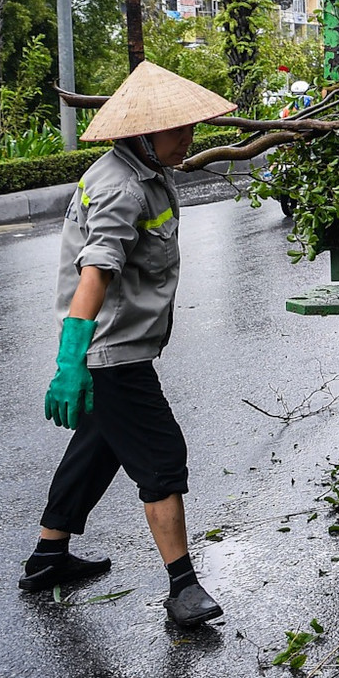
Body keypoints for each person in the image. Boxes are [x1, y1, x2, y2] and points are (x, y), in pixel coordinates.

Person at [21, 61, 236, 629]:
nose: (189, 139)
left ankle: (48, 559)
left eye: (192, 128)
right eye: (179, 130)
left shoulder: (144, 168)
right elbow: (96, 272)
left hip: (118, 346)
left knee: (97, 448)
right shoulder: (120, 187)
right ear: (142, 133)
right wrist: (71, 363)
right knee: (161, 458)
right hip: (112, 351)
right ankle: (183, 588)